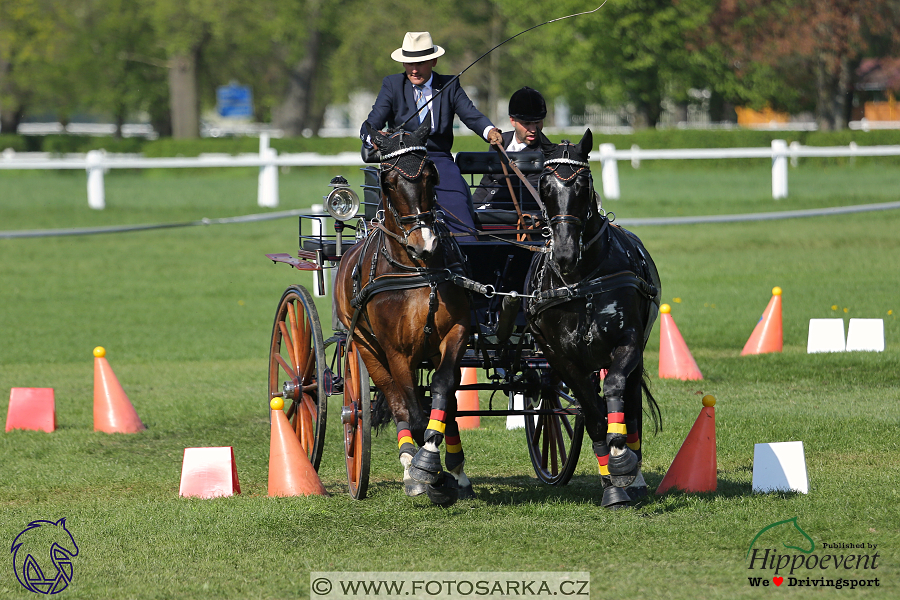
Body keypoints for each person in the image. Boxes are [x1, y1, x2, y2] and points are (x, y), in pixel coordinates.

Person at [361, 31, 503, 236]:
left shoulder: (449, 85)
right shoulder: (392, 85)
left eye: (420, 63)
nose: (414, 69)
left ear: (434, 61)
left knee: (459, 212)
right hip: (403, 160)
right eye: (409, 64)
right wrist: (372, 138)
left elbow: (470, 114)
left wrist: (490, 130)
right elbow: (372, 122)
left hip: (439, 161)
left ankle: (465, 251)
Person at [471, 86, 546, 213]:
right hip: (487, 212)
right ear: (512, 120)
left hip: (513, 217)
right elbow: (485, 184)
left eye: (537, 123)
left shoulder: (545, 151)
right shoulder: (500, 141)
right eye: (527, 124)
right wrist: (471, 209)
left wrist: (486, 208)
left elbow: (525, 195)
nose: (533, 130)